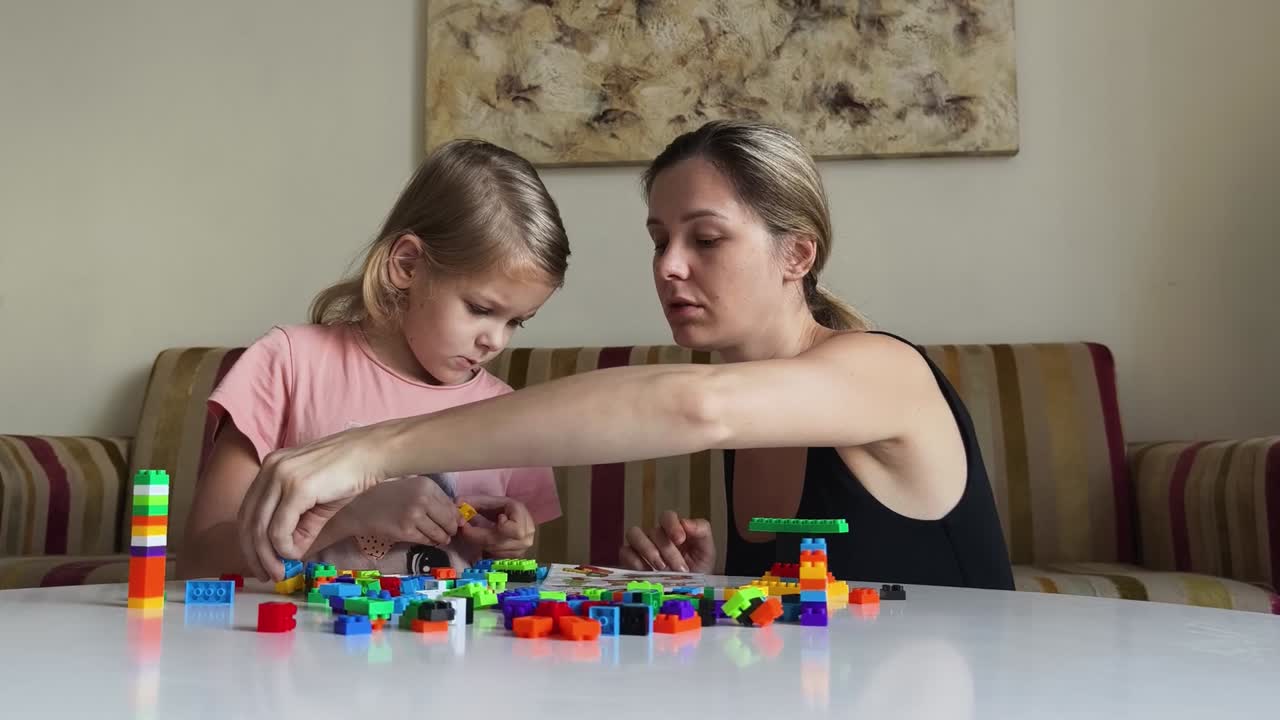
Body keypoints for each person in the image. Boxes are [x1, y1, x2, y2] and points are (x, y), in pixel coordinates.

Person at [234, 120, 1015, 592]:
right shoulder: (754, 414)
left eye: (705, 239)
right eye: (659, 240)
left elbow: (691, 407)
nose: (669, 266)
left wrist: (370, 450)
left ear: (797, 254)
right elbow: (830, 567)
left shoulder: (885, 371)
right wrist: (718, 586)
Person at [178, 138, 570, 579]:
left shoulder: (513, 416)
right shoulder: (287, 365)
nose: (495, 341)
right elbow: (202, 557)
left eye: (518, 321)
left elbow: (525, 587)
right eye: (480, 309)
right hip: (295, 646)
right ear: (407, 265)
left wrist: (508, 549)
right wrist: (346, 515)